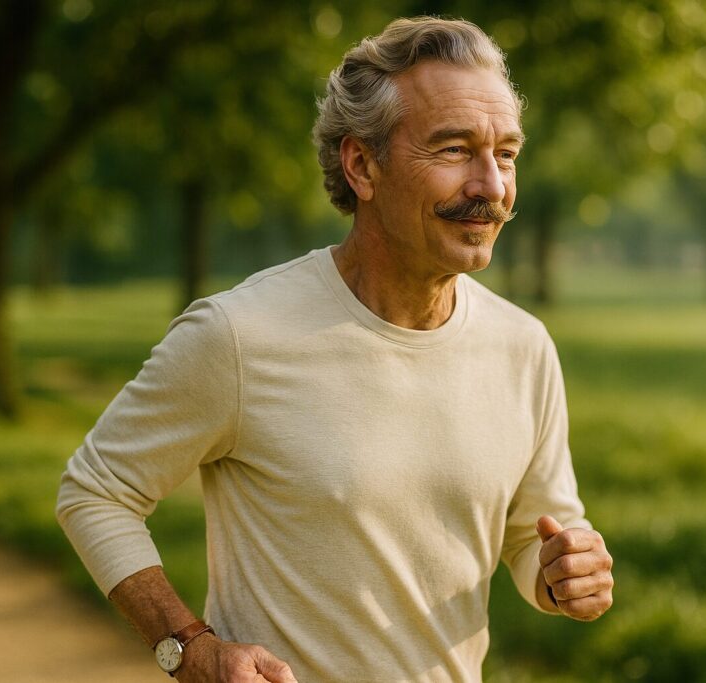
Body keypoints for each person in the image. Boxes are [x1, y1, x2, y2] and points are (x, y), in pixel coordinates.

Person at [56, 16, 613, 682]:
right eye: (455, 150)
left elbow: (532, 535)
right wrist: (192, 649)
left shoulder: (523, 347)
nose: (491, 186)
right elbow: (95, 491)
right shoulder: (239, 335)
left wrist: (561, 573)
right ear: (361, 165)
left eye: (507, 153)